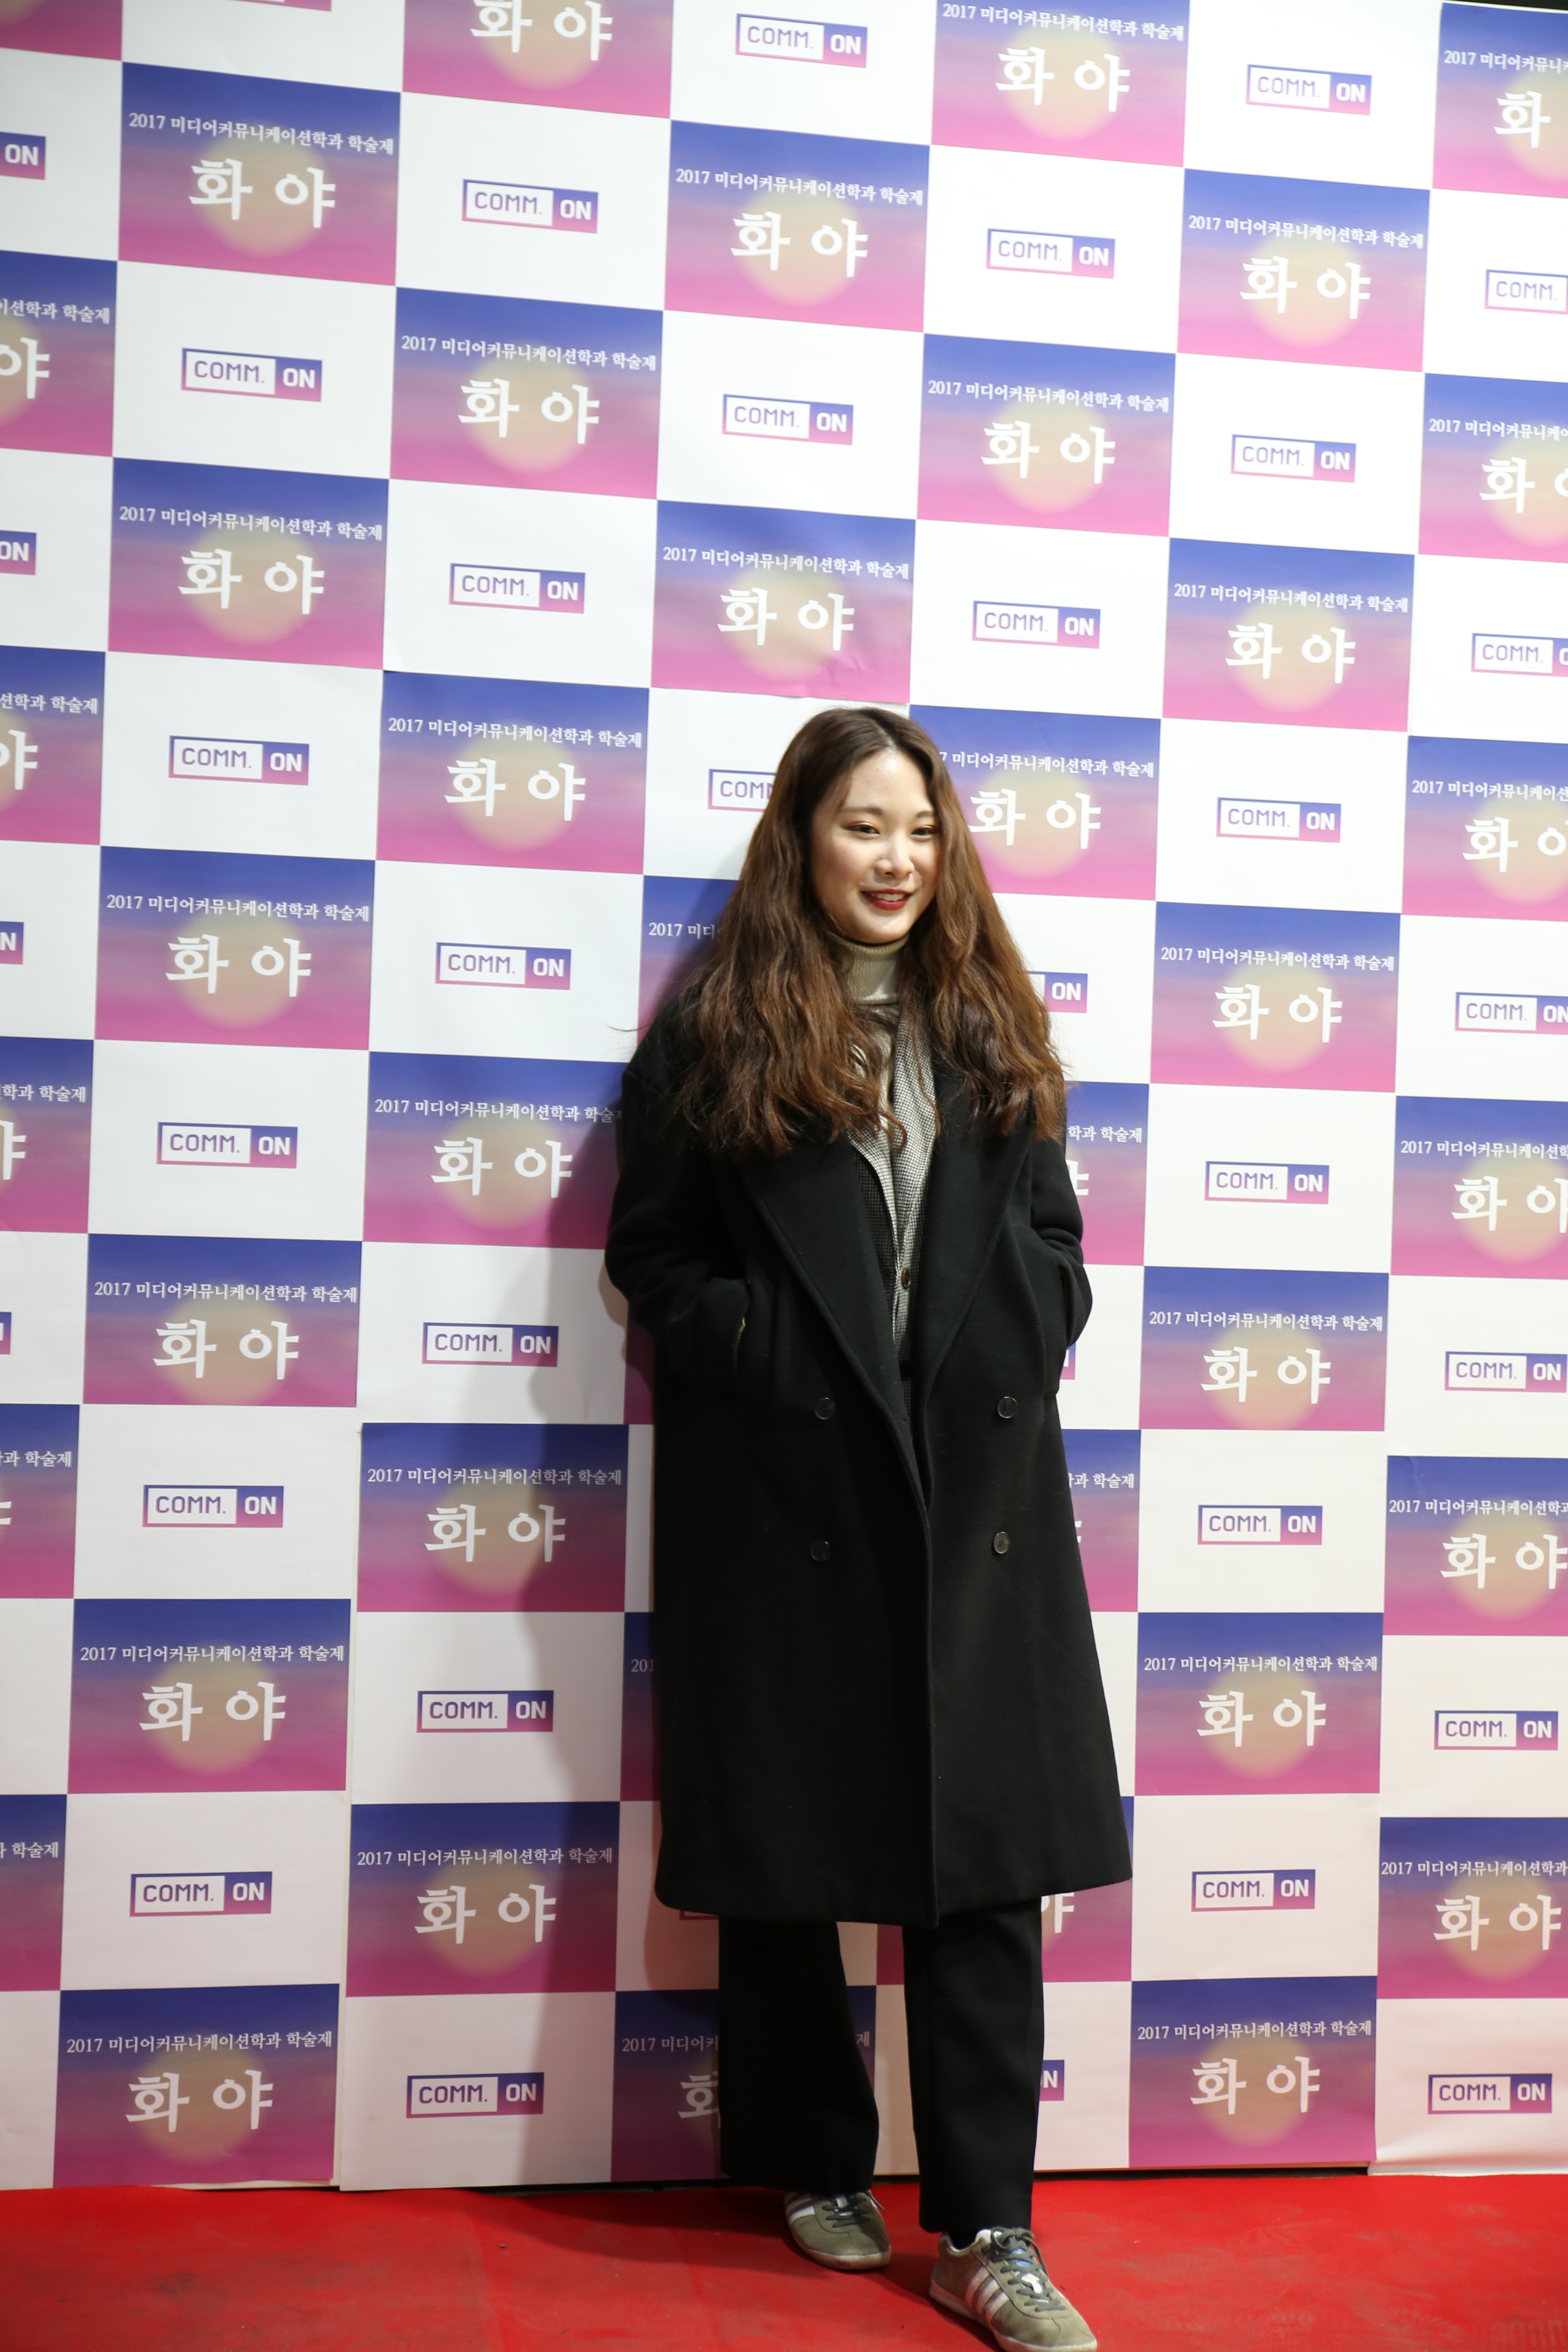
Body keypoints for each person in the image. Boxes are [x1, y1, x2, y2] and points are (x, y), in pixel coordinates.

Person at [606, 707, 1129, 2352]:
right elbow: (654, 1256)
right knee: (793, 1855)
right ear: (803, 840)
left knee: (984, 1867)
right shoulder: (717, 1036)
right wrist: (764, 1352)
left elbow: (1054, 1234)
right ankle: (813, 2158)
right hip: (794, 1491)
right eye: (862, 826)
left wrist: (1030, 1313)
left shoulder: (990, 1022)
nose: (897, 859)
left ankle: (988, 2229)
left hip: (974, 1494)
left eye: (919, 828)